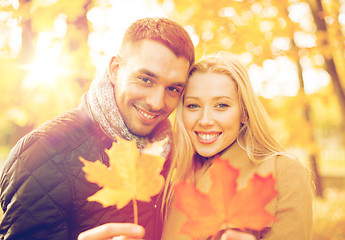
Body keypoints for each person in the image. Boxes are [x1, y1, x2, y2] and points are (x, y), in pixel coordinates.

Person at [0, 17, 195, 240]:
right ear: (115, 69)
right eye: (146, 79)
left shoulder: (174, 157)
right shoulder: (42, 152)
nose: (157, 102)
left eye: (172, 88)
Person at [161, 52, 313, 240]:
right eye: (193, 106)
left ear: (243, 112)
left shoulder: (283, 171)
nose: (205, 120)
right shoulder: (171, 178)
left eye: (221, 105)